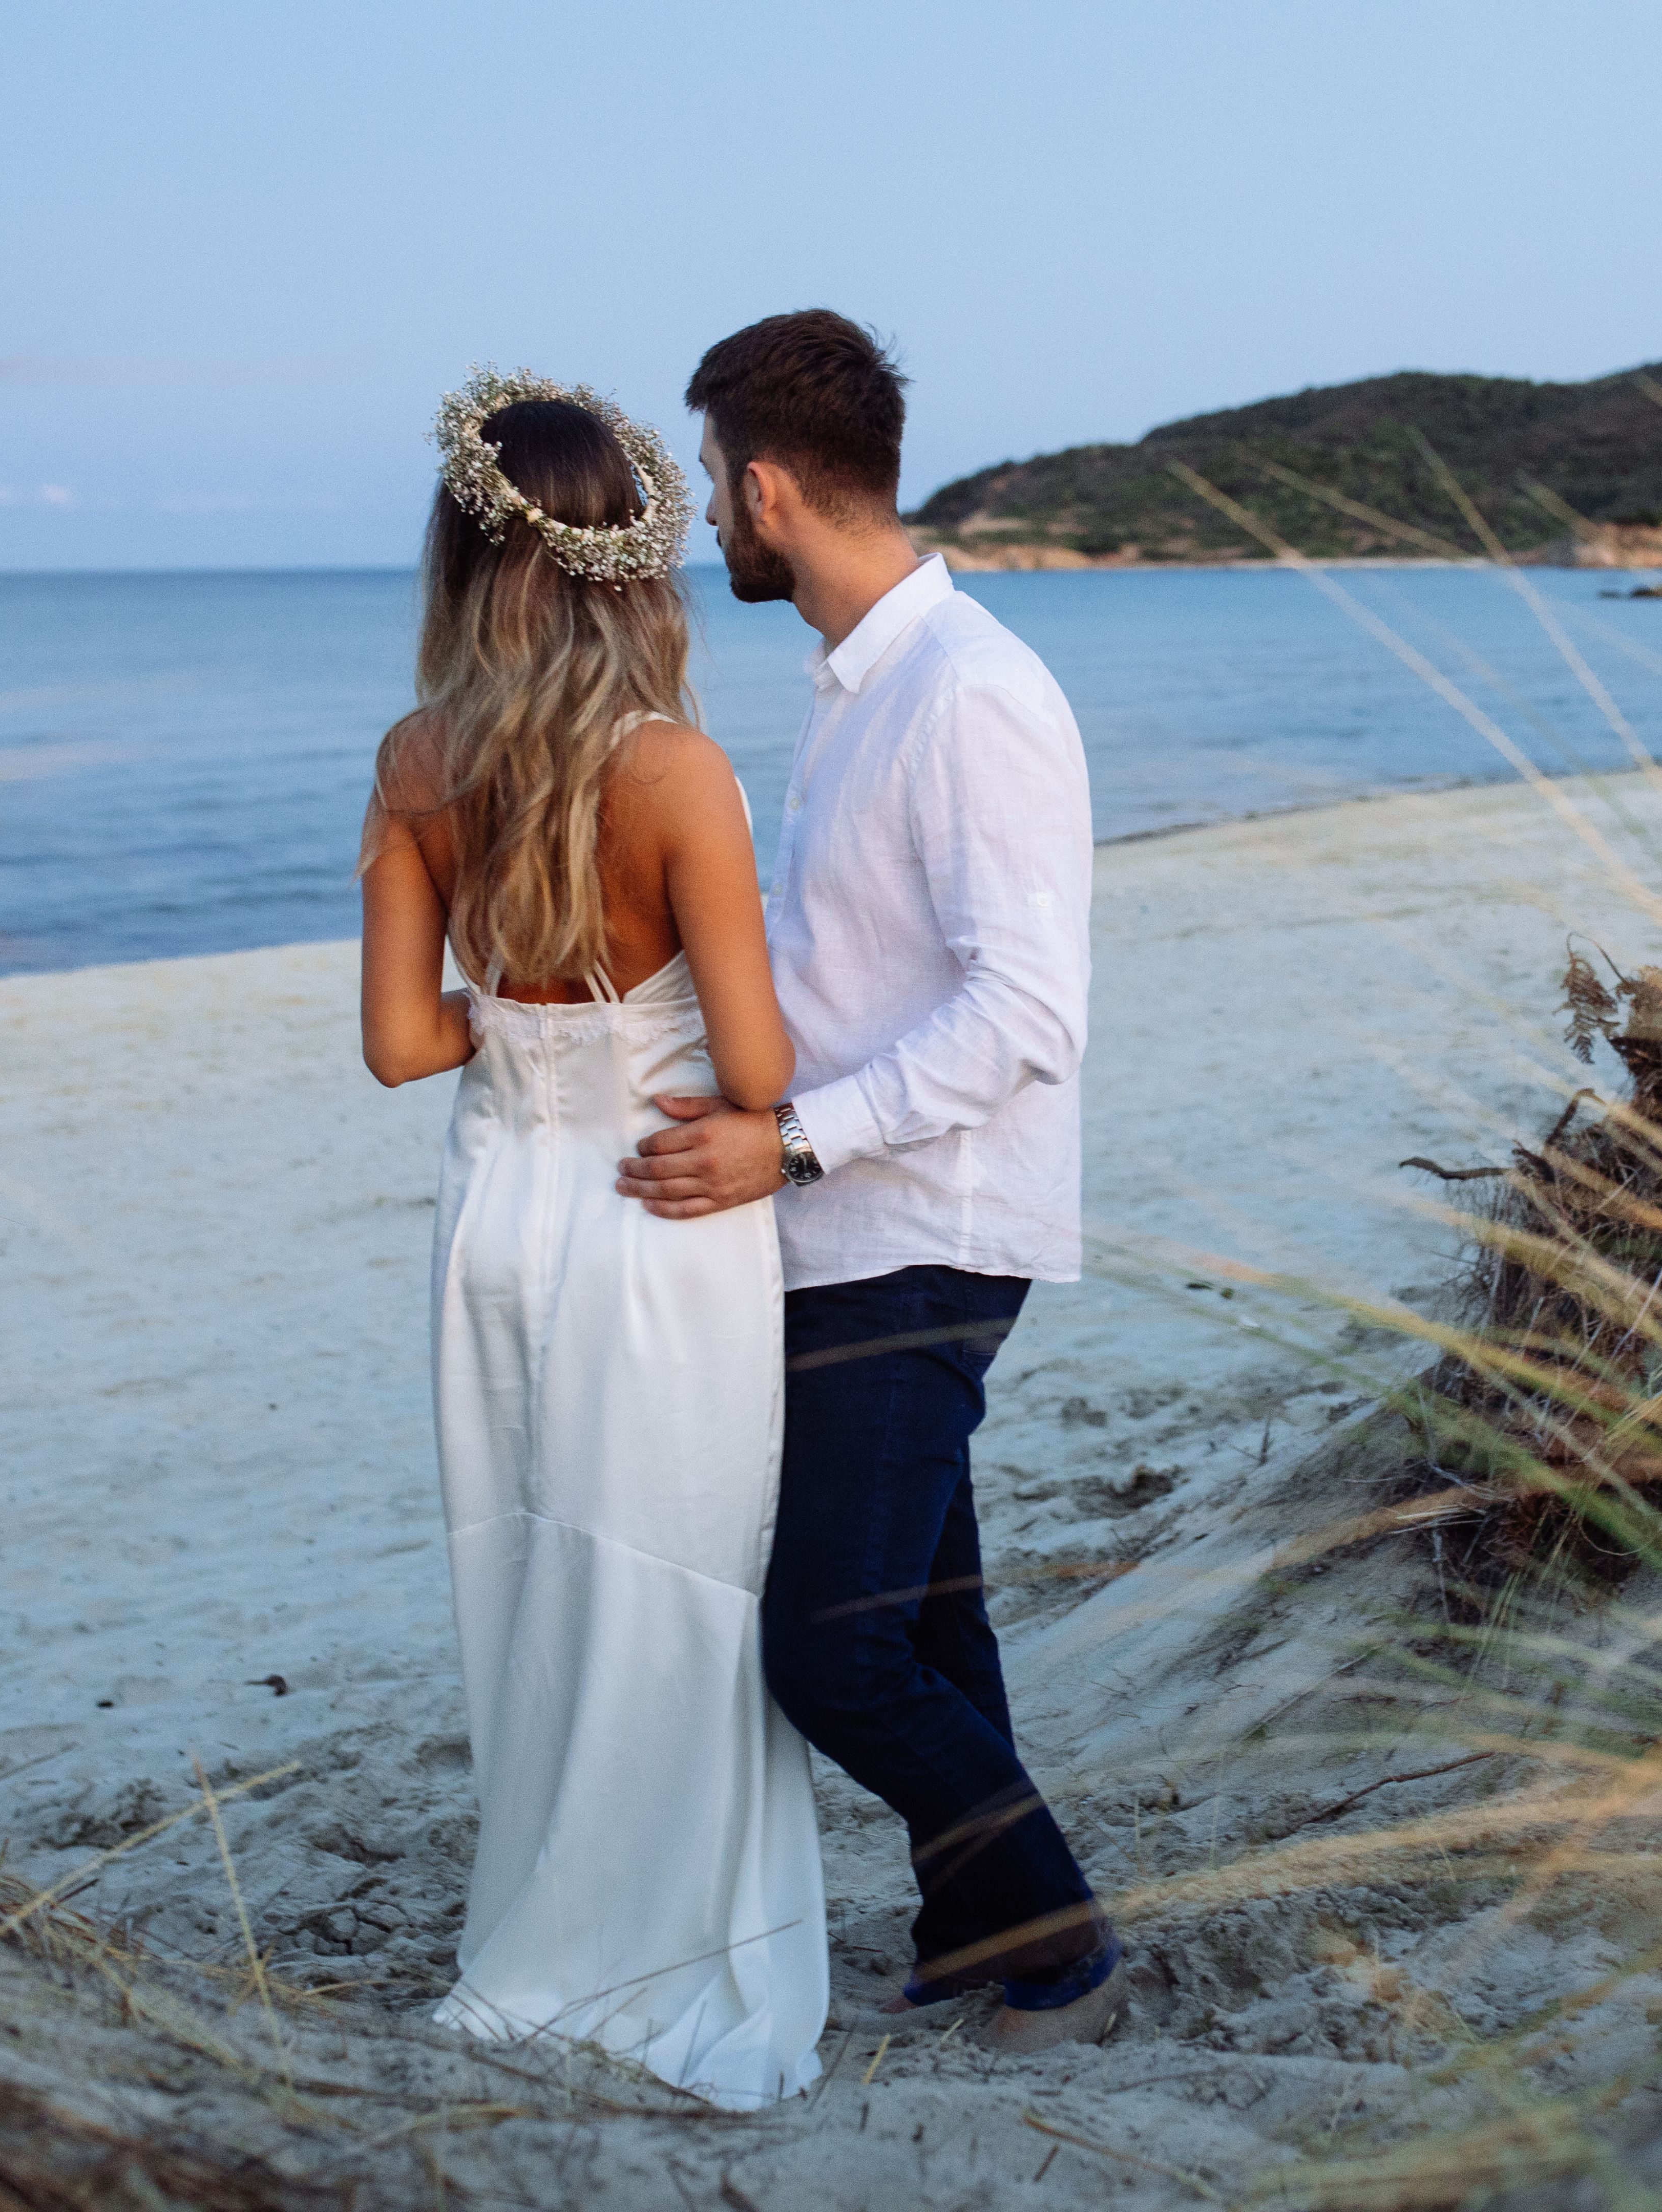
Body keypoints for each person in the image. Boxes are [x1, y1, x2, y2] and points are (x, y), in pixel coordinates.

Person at [618, 310, 1129, 2051]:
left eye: (708, 485)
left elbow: (1030, 1011)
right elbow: (865, 979)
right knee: (928, 1618)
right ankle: (985, 1934)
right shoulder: (869, 689)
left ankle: (1057, 1942)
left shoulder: (969, 690)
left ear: (766, 487)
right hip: (851, 1222)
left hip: (923, 1233)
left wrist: (801, 1138)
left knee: (828, 1654)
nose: (705, 520)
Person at [357, 368, 825, 2109]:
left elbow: (406, 1043)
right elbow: (761, 1071)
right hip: (658, 1228)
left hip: (495, 1219)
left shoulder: (417, 761)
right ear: (634, 568)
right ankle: (660, 1959)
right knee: (679, 1591)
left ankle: (536, 1944)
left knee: (532, 1577)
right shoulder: (678, 773)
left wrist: (527, 1037)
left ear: (466, 567)